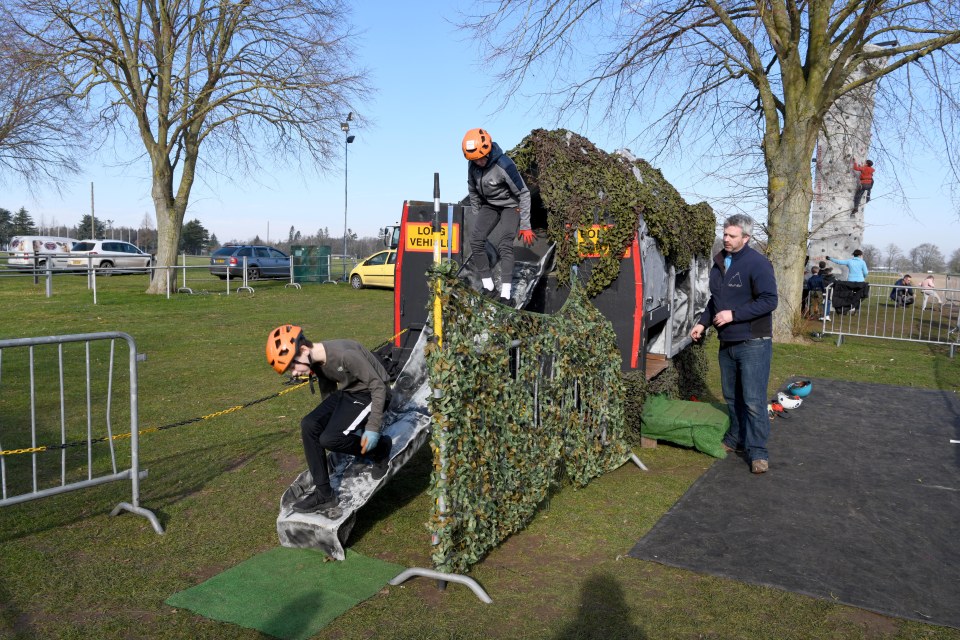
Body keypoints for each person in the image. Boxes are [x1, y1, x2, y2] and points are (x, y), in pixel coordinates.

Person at [265, 325, 393, 518]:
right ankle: (324, 494)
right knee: (309, 425)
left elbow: (378, 387)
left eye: (292, 365)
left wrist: (373, 427)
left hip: (370, 393)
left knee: (330, 439)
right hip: (349, 392)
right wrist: (335, 421)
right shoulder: (316, 361)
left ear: (303, 350)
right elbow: (329, 393)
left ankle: (381, 449)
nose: (293, 373)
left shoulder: (345, 355)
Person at [690, 215, 778, 474]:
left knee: (752, 399)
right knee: (732, 396)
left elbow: (769, 300)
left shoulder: (758, 264)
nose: (726, 239)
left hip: (753, 342)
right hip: (726, 341)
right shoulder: (719, 262)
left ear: (746, 238)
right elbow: (715, 301)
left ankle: (758, 452)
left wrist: (734, 314)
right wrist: (703, 323)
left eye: (732, 236)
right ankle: (736, 439)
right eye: (725, 234)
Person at [463, 128, 535, 302]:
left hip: (511, 206)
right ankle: (489, 287)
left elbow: (524, 193)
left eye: (480, 158)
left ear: (487, 151)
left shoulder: (504, 165)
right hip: (490, 206)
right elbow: (472, 189)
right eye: (474, 159)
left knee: (504, 244)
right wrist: (477, 213)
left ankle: (506, 294)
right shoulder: (472, 164)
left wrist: (525, 225)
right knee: (476, 240)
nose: (477, 162)